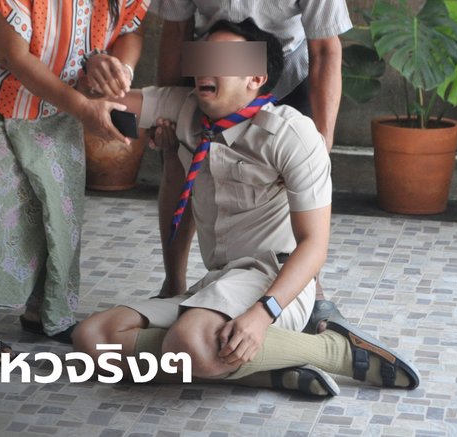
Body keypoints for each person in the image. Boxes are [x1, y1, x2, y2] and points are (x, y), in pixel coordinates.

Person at [73, 19, 419, 396]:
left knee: (188, 341)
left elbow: (314, 246)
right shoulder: (182, 108)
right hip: (219, 282)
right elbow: (94, 103)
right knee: (93, 339)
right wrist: (96, 65)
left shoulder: (293, 135)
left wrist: (262, 314)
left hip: (275, 282)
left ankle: (333, 350)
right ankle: (270, 370)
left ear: (255, 77)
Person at [0, 0, 150, 361]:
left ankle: (46, 311)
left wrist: (116, 71)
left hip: (58, 77)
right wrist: (83, 108)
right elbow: (12, 54)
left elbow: (132, 26)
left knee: (60, 188)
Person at [149, 0, 353, 327]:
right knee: (179, 167)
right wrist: (165, 111)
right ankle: (174, 283)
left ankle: (309, 292)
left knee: (298, 190)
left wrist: (322, 141)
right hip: (214, 63)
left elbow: (326, 48)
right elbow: (176, 30)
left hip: (284, 68)